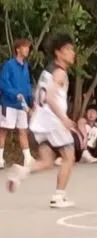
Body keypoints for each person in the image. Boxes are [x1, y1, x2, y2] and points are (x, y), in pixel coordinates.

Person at [6, 34, 77, 208]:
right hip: (53, 122)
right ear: (58, 53)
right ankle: (58, 197)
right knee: (69, 157)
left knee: (47, 161)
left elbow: (40, 95)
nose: (72, 53)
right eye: (68, 49)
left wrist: (34, 113)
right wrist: (64, 118)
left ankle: (22, 171)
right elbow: (50, 97)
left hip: (40, 122)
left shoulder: (47, 72)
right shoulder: (60, 73)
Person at [0, 38, 34, 169]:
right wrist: (15, 94)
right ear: (18, 49)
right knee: (3, 130)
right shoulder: (9, 65)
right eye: (25, 47)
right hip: (8, 103)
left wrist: (30, 101)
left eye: (28, 47)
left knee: (23, 130)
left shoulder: (25, 66)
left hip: (22, 105)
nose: (27, 49)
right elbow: (3, 83)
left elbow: (27, 85)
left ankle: (28, 159)